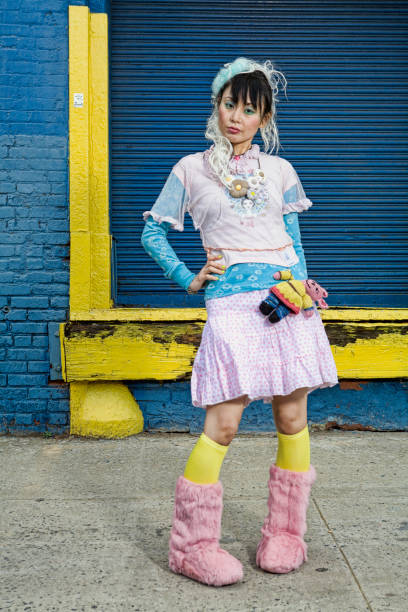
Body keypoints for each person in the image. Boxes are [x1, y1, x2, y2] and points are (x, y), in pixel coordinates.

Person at [141, 57, 339, 587]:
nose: (236, 116)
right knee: (224, 423)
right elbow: (152, 234)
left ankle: (286, 534)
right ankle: (191, 547)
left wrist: (304, 290)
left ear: (263, 118)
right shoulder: (190, 169)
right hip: (231, 306)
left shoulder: (281, 171)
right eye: (229, 104)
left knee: (292, 418)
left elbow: (294, 242)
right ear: (217, 105)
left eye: (249, 110)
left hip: (285, 300)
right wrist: (189, 277)